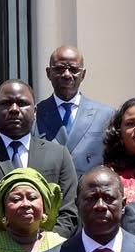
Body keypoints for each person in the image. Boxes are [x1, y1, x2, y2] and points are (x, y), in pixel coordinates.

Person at [0, 79, 80, 252]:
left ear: (35, 111)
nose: (14, 109)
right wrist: (2, 249)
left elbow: (69, 211)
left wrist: (44, 249)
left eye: (22, 103)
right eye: (5, 103)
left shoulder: (59, 154)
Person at [35, 44, 114, 174]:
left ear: (83, 74)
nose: (66, 75)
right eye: (59, 69)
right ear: (48, 73)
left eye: (73, 69)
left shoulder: (106, 115)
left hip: (89, 185)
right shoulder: (35, 114)